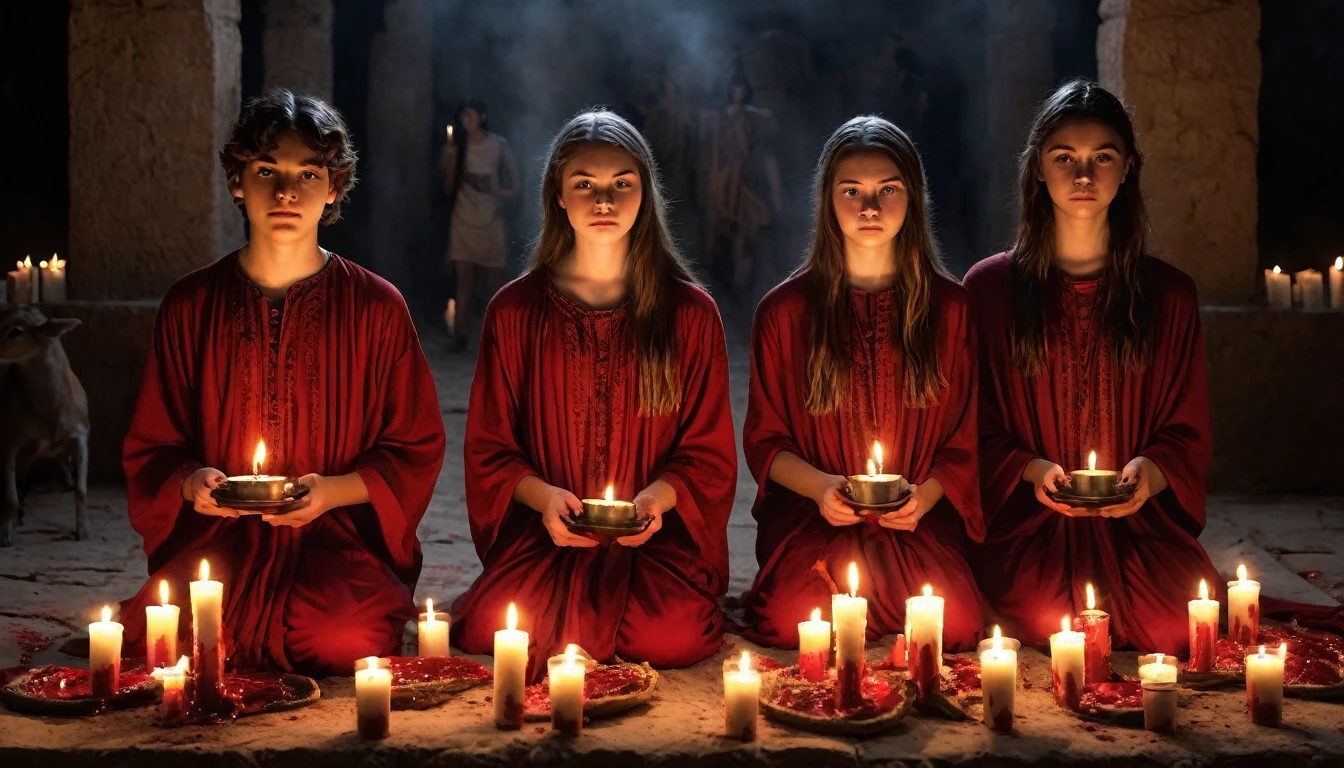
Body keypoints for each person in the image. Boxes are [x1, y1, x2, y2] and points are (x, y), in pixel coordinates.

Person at [118, 89, 446, 675]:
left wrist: (331, 492)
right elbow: (152, 444)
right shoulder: (191, 305)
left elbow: (414, 447)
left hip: (336, 539)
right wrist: (191, 482)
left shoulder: (376, 306)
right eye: (267, 170)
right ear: (238, 181)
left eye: (309, 173)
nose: (287, 192)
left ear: (335, 187)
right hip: (217, 542)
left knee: (341, 638)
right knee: (177, 630)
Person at [450, 111, 736, 681]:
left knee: (673, 634)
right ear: (557, 194)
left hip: (652, 543)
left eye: (621, 184)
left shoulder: (691, 314)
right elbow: (491, 449)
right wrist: (545, 500)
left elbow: (708, 453)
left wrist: (657, 500)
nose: (603, 199)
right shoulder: (515, 311)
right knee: (500, 627)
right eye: (584, 183)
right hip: (549, 536)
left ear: (645, 193)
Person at [965, 80, 1219, 653]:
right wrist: (1030, 470)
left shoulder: (1170, 295)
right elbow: (968, 424)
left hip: (1137, 525)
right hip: (1030, 522)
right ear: (1036, 168)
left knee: (1174, 626)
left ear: (1129, 167)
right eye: (1064, 158)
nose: (1083, 176)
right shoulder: (989, 290)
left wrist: (1148, 474)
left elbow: (1187, 427)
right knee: (1039, 617)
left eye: (1102, 157)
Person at [741, 116, 986, 650]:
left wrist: (923, 498)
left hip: (915, 520)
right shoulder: (783, 313)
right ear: (827, 199)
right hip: (819, 520)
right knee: (793, 621)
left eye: (887, 191)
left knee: (959, 624)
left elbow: (964, 441)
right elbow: (766, 445)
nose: (869, 208)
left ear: (914, 198)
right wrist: (822, 490)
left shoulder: (951, 309)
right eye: (851, 191)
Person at [442, 100, 520, 351]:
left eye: (472, 115)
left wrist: (498, 192)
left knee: (494, 284)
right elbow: (448, 187)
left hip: (491, 218)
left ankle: (497, 338)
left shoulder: (498, 145)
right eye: (464, 116)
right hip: (463, 217)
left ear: (482, 116)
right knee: (464, 282)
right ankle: (461, 335)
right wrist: (448, 163)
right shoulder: (458, 147)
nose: (468, 120)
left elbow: (515, 184)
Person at [699, 71, 782, 292]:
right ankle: (730, 283)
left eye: (741, 88)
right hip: (725, 183)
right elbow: (713, 154)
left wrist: (775, 193)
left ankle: (744, 283)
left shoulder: (754, 118)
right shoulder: (719, 119)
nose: (738, 92)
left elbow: (765, 157)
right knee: (725, 234)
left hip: (747, 183)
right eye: (735, 88)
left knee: (747, 235)